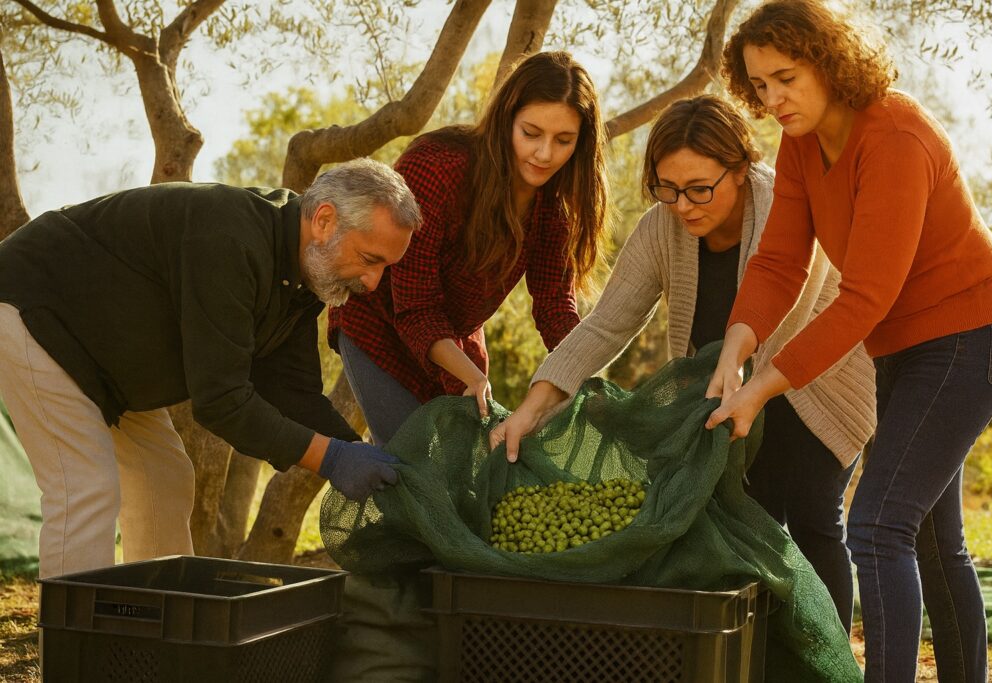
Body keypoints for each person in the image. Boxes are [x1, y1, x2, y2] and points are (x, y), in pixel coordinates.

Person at [709, 2, 992, 680]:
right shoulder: (799, 144)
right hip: (903, 352)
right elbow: (778, 263)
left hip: (971, 340)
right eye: (759, 85)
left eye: (786, 77)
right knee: (936, 545)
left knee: (879, 523)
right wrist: (737, 350)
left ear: (829, 60)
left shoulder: (895, 134)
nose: (773, 98)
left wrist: (762, 387)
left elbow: (866, 296)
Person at [490, 94, 876, 632]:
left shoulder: (781, 206)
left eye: (699, 189)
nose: (684, 205)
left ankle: (827, 659)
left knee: (812, 518)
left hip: (813, 386)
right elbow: (605, 325)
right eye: (667, 189)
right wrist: (534, 407)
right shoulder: (661, 228)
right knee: (746, 527)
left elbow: (790, 314)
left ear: (740, 169)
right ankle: (761, 662)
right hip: (725, 395)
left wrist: (737, 381)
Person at [0, 159, 423, 579]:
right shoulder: (230, 237)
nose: (372, 282)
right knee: (86, 488)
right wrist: (334, 460)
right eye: (369, 259)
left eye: (385, 267)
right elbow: (221, 401)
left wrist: (361, 456)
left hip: (104, 362)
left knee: (163, 479)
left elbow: (293, 393)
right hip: (35, 311)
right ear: (325, 221)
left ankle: (153, 629)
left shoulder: (302, 276)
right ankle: (75, 644)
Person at [329, 50, 609, 446]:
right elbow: (415, 307)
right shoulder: (438, 167)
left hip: (455, 345)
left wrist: (591, 380)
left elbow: (555, 310)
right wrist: (471, 375)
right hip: (382, 323)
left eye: (563, 140)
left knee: (464, 479)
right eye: (531, 133)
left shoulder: (555, 209)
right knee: (409, 467)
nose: (545, 154)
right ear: (506, 119)